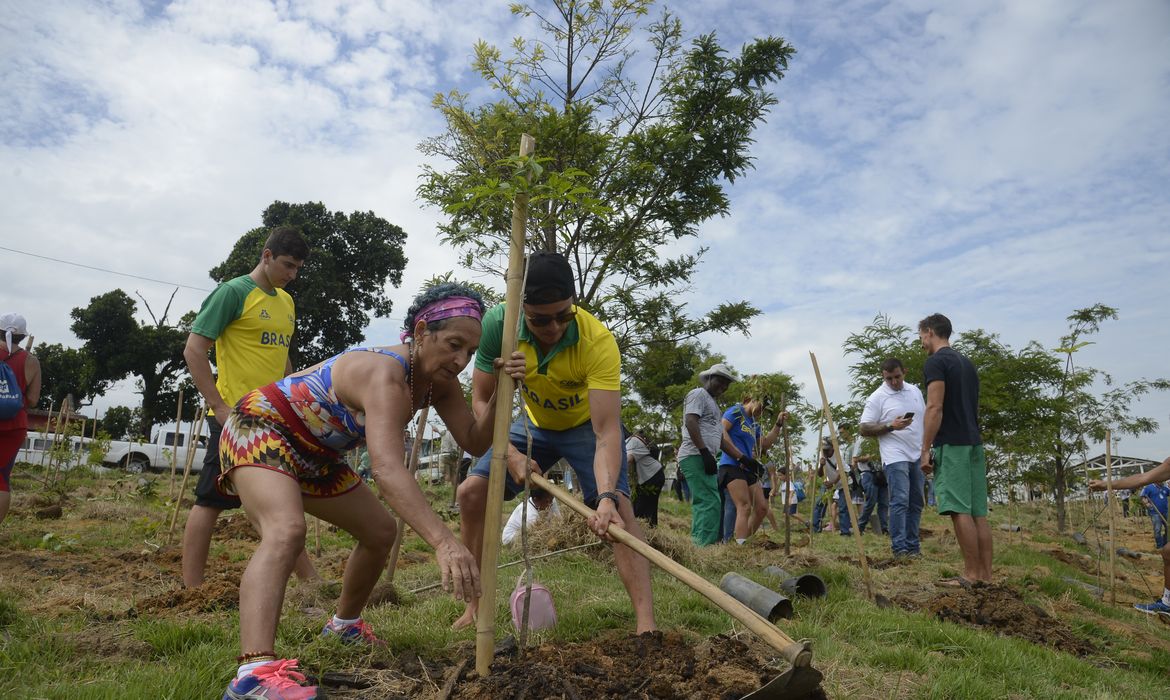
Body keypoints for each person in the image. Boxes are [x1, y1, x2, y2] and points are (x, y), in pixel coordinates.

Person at [219, 283, 510, 699]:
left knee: (379, 533)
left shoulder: (436, 383)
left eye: (470, 351)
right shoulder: (387, 373)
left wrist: (502, 389)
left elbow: (474, 440)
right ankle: (253, 677)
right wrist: (445, 542)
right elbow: (388, 470)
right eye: (453, 345)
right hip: (262, 428)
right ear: (423, 330)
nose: (461, 360)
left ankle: (344, 627)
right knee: (286, 531)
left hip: (315, 454)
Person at [454, 252, 655, 633]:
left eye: (564, 315)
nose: (553, 327)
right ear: (522, 309)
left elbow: (606, 431)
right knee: (470, 494)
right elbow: (481, 403)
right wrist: (511, 455)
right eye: (540, 319)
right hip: (532, 425)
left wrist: (608, 496)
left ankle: (646, 624)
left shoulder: (598, 342)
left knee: (623, 516)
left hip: (584, 428)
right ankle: (473, 608)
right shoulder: (499, 324)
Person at [181, 225, 318, 588]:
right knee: (210, 500)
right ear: (267, 255)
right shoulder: (233, 293)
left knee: (283, 500)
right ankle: (191, 589)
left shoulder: (286, 302)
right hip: (235, 419)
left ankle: (310, 583)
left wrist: (295, 399)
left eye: (298, 269)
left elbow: (282, 359)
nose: (292, 275)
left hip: (274, 418)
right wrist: (219, 406)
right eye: (287, 265)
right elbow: (194, 350)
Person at [919, 313, 991, 586]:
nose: (922, 342)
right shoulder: (967, 363)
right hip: (974, 443)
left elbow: (934, 407)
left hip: (952, 444)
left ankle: (971, 576)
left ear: (929, 331)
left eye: (922, 336)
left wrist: (925, 449)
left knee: (960, 510)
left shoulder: (936, 362)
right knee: (977, 512)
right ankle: (985, 576)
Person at [860, 357, 925, 556]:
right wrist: (890, 426)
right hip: (894, 455)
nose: (894, 382)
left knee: (916, 501)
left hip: (917, 453)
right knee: (900, 499)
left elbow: (924, 419)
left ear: (904, 371)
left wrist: (927, 450)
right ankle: (899, 548)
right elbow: (863, 427)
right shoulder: (877, 397)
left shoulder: (914, 391)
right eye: (889, 379)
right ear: (883, 376)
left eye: (897, 377)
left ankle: (913, 547)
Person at [1090, 456, 1170, 617]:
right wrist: (1106, 484)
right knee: (1167, 552)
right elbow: (1142, 478)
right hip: (1157, 513)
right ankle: (1167, 603)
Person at [678, 363, 738, 546]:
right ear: (710, 378)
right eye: (721, 381)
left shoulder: (714, 405)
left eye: (727, 383)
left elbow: (719, 439)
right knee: (708, 502)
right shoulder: (698, 394)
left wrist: (742, 458)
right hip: (695, 454)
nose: (724, 387)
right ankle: (702, 548)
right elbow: (690, 421)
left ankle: (698, 545)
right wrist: (704, 451)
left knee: (709, 500)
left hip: (706, 456)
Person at [717, 394, 787, 544]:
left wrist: (778, 425)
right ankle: (739, 546)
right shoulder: (735, 411)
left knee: (762, 508)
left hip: (748, 467)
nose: (761, 411)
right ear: (751, 400)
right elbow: (721, 431)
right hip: (731, 464)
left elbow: (765, 444)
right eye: (760, 407)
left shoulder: (754, 424)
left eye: (764, 410)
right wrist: (739, 455)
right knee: (744, 506)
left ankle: (741, 542)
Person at [0, 313, 41, 528]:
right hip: (14, 425)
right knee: (2, 479)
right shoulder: (31, 361)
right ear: (23, 337)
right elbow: (33, 399)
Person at [626, 430, 666, 527]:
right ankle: (651, 529)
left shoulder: (632, 441)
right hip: (650, 476)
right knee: (646, 506)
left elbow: (629, 459)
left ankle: (647, 531)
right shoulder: (630, 441)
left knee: (641, 508)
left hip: (652, 476)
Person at [812, 440, 851, 535]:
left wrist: (833, 484)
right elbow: (820, 474)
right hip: (828, 482)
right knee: (819, 503)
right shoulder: (823, 457)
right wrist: (821, 465)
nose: (825, 453)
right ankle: (815, 529)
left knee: (842, 508)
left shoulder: (838, 455)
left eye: (827, 450)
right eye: (824, 451)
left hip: (843, 483)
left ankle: (845, 532)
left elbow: (841, 472)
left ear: (832, 448)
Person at [1139, 480, 1169, 549]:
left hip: (1165, 511)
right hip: (1155, 512)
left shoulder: (1164, 488)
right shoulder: (1149, 488)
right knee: (1157, 529)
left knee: (1168, 528)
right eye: (1161, 480)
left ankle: (1165, 543)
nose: (1163, 482)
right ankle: (1160, 546)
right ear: (1156, 480)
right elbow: (1142, 496)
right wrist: (1147, 503)